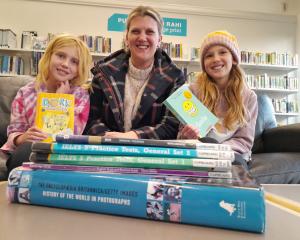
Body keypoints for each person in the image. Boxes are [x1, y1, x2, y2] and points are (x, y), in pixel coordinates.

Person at [84, 6, 185, 139]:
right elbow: (91, 119)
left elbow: (171, 125)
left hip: (152, 156)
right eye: (136, 31)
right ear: (127, 37)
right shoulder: (103, 72)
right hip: (108, 152)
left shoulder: (175, 77)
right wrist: (109, 138)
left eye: (149, 32)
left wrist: (134, 136)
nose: (142, 37)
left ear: (160, 39)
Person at [1, 34, 92, 175]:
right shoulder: (26, 93)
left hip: (62, 152)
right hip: (28, 150)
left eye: (74, 61)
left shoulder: (80, 96)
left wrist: (60, 100)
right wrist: (22, 137)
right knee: (25, 151)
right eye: (61, 56)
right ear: (49, 56)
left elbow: (70, 135)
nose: (65, 64)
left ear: (79, 70)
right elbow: (15, 130)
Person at [178, 30, 258, 167]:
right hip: (200, 153)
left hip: (232, 155)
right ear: (204, 64)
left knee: (232, 166)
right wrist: (185, 137)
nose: (215, 59)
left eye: (222, 52)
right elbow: (181, 136)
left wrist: (217, 151)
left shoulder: (249, 97)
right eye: (209, 55)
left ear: (233, 58)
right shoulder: (191, 93)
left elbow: (244, 140)